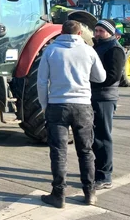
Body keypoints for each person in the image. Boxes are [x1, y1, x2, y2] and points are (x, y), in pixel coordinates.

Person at [37, 20, 106, 208]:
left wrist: (45, 106)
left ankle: (58, 195)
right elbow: (101, 77)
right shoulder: (88, 51)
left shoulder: (51, 51)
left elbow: (42, 82)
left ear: (61, 32)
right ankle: (89, 193)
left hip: (57, 105)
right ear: (79, 33)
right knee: (85, 151)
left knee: (59, 152)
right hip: (83, 106)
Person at [91, 19, 126, 190]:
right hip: (94, 96)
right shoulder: (98, 46)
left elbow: (113, 76)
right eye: (96, 30)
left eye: (101, 31)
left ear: (110, 32)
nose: (97, 33)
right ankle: (98, 169)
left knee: (103, 137)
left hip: (105, 97)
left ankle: (105, 176)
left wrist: (89, 82)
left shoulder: (115, 49)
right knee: (94, 137)